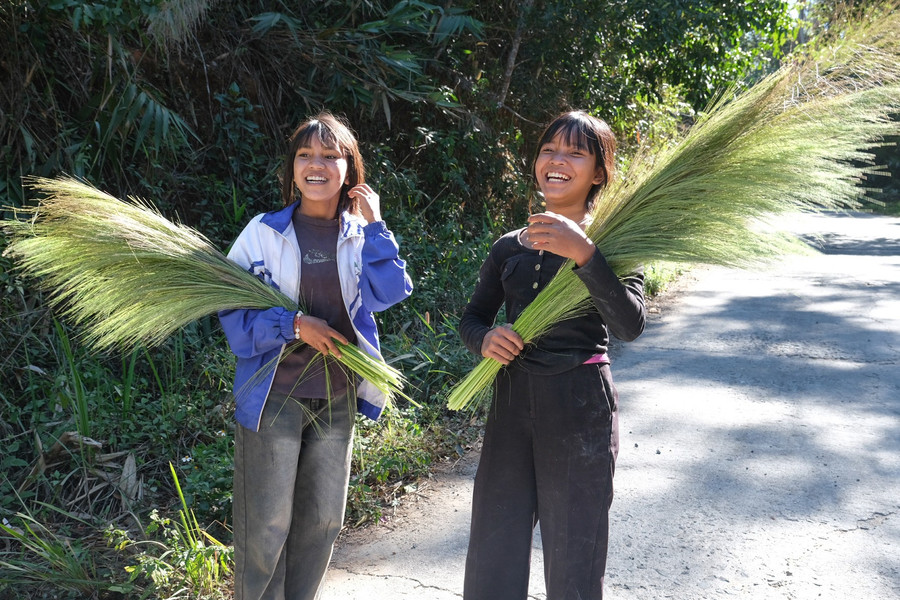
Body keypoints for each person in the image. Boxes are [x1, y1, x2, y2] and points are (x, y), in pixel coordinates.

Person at [218, 112, 412, 600]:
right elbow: (235, 325)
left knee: (325, 519)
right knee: (265, 526)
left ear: (351, 170)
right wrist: (295, 325)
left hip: (337, 397)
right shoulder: (262, 233)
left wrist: (376, 225)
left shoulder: (359, 235)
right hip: (274, 397)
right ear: (292, 169)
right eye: (305, 155)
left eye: (330, 155)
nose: (317, 164)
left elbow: (390, 291)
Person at [459, 110, 646, 599]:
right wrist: (485, 339)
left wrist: (586, 255)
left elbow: (630, 324)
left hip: (580, 404)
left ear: (598, 173)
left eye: (574, 153)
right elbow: (472, 317)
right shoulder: (508, 247)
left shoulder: (616, 242)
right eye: (548, 150)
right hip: (511, 403)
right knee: (494, 542)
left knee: (574, 551)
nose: (556, 161)